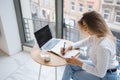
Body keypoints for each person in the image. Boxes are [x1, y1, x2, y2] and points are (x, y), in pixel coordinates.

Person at [61, 11, 119, 80]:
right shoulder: (97, 36)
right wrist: (69, 47)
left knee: (76, 75)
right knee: (70, 64)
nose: (85, 30)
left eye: (87, 26)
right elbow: (83, 42)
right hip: (98, 66)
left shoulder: (103, 46)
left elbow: (100, 73)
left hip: (107, 76)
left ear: (95, 25)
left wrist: (79, 63)